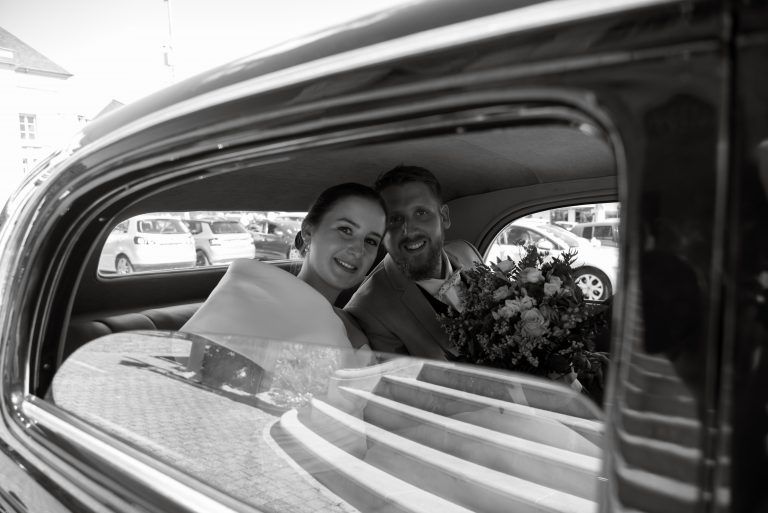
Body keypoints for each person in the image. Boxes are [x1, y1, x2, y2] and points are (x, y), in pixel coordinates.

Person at [181, 183, 386, 365]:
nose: (358, 250)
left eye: (370, 241)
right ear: (308, 232)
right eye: (346, 230)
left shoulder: (354, 323)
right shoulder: (247, 301)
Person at [345, 165, 482, 360]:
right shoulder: (368, 311)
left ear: (444, 217)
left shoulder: (468, 253)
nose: (408, 230)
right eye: (394, 219)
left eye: (421, 213)